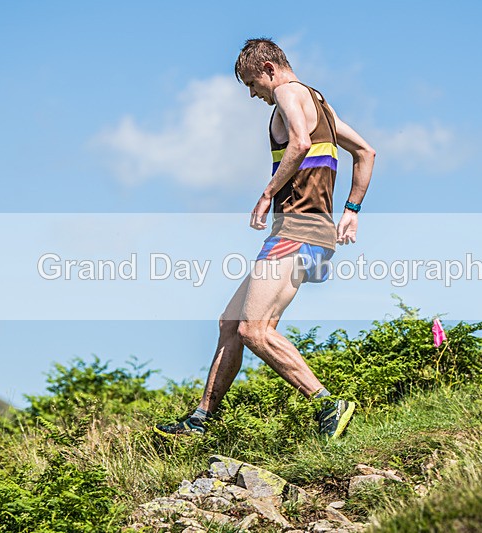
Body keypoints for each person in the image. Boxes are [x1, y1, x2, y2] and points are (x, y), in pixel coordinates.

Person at [155, 38, 375, 439]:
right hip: (311, 231)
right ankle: (202, 419)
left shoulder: (289, 93)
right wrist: (352, 211)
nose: (253, 94)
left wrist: (267, 193)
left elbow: (300, 143)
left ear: (269, 69)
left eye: (252, 84)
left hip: (297, 228)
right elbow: (366, 152)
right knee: (231, 322)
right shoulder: (322, 106)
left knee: (254, 329)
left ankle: (328, 403)